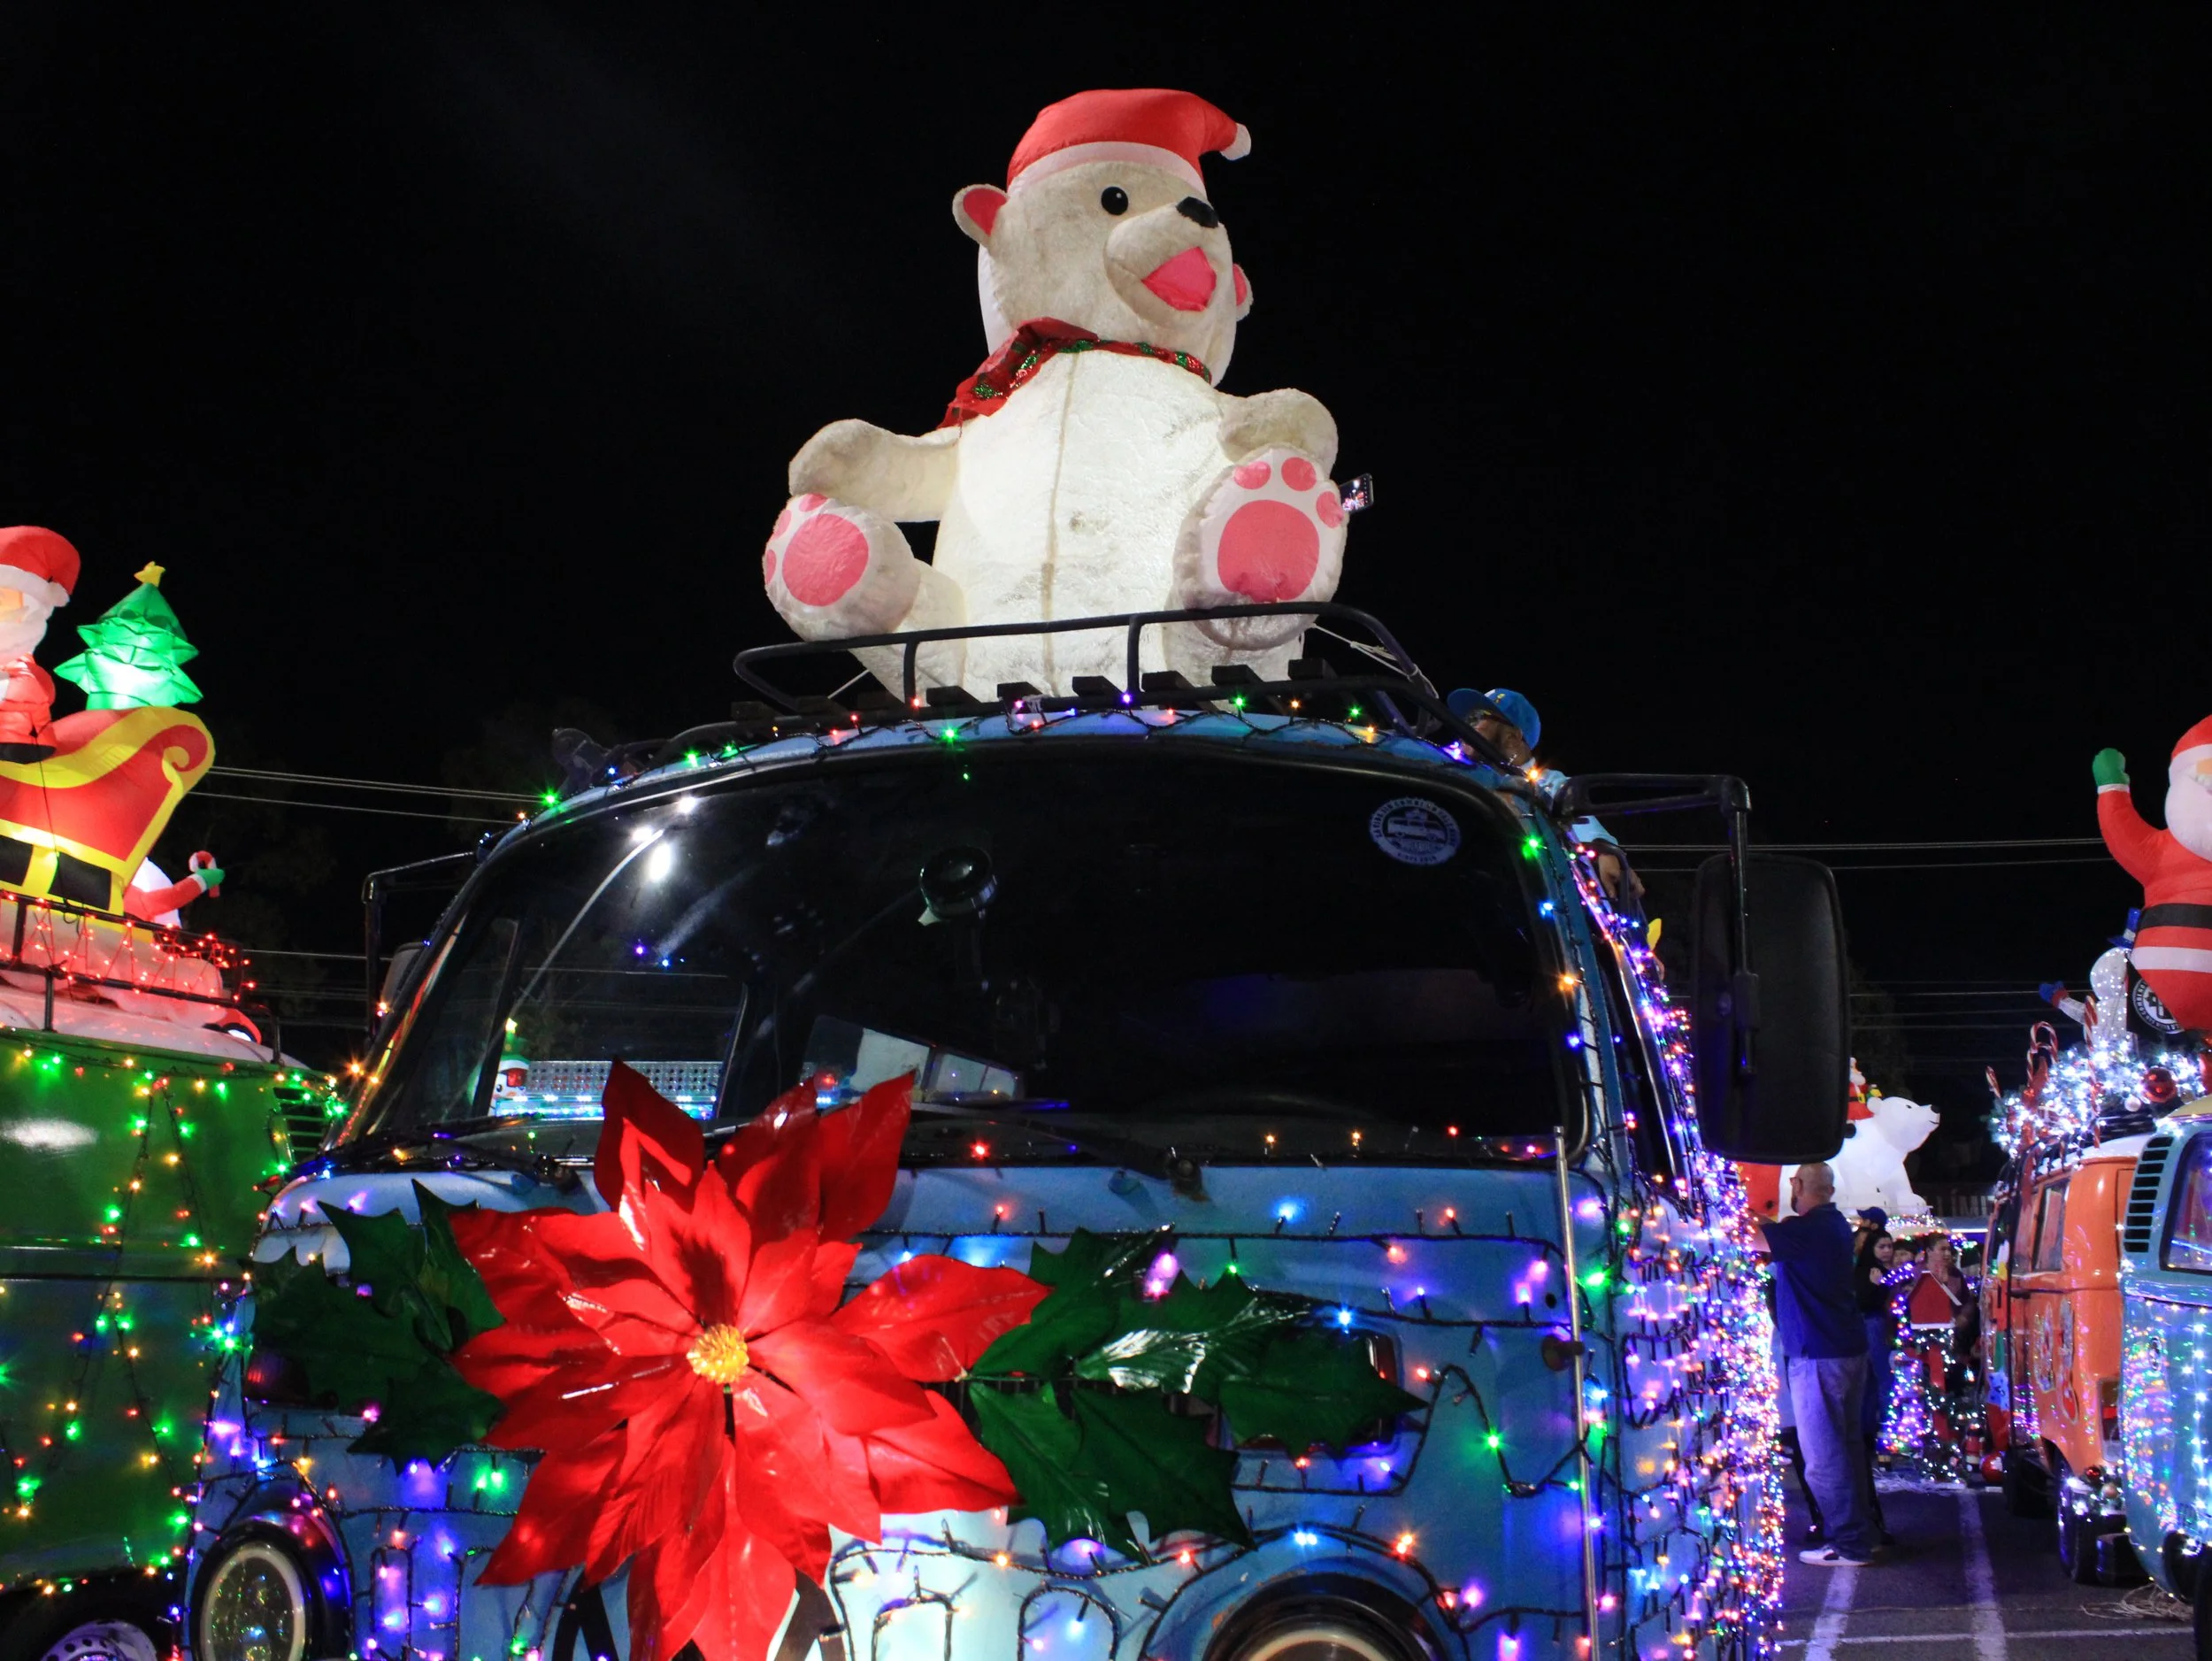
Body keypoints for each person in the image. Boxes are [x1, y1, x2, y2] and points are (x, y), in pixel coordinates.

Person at [1755, 1161, 1880, 1565]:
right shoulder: (1834, 1226)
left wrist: (1736, 1205)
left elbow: (1752, 1237)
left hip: (1818, 1355)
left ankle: (1848, 1544)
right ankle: (1862, 1534)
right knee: (1846, 1449)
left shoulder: (1807, 1230)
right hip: (1845, 1349)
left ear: (1798, 1185)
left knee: (1824, 1460)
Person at [1444, 687, 1643, 906]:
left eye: (1476, 719)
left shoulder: (1548, 783)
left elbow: (1575, 816)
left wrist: (1604, 852)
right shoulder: (1449, 771)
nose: (1464, 727)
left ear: (1512, 737)